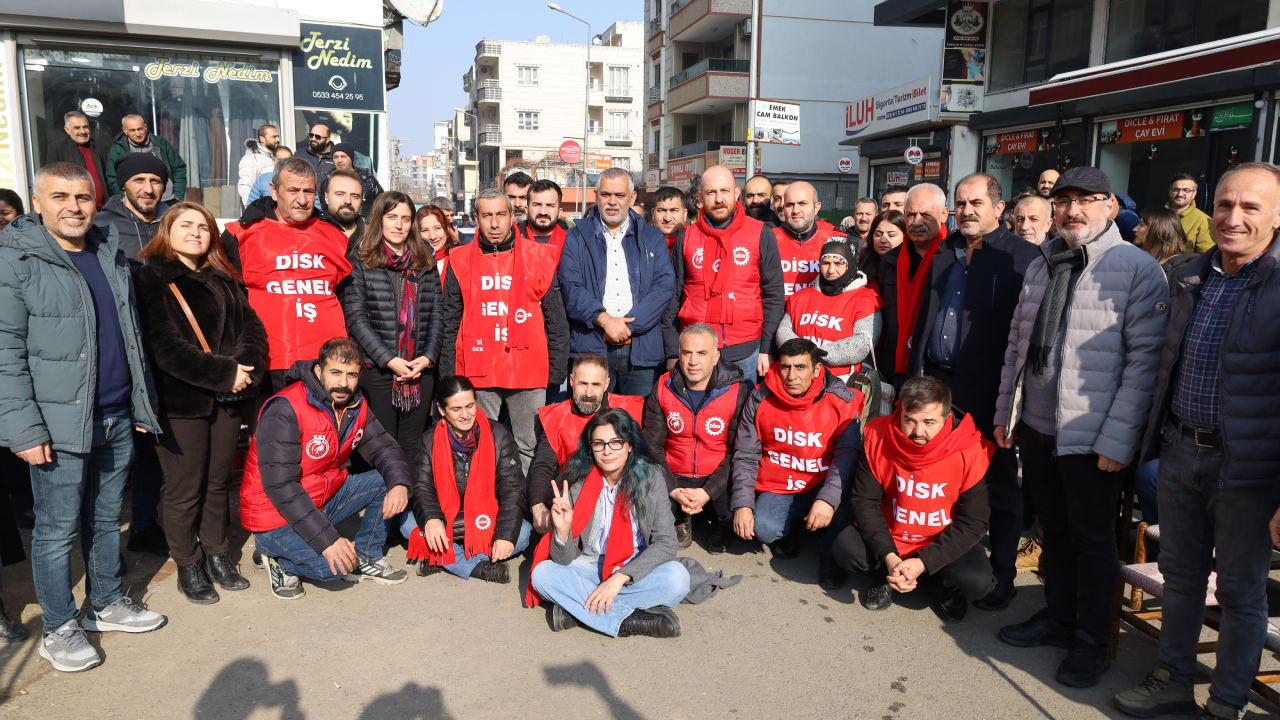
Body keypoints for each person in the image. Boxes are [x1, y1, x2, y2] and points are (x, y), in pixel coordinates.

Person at [1112, 162, 1280, 720]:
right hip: (1181, 451)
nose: (1235, 218)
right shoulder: (1191, 273)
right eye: (1227, 204)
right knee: (1181, 578)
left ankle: (1225, 705)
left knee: (1239, 594)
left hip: (1249, 471)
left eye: (1251, 207)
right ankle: (1173, 679)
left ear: (1277, 217)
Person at [993, 166, 1169, 688]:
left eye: (1086, 200)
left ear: (1109, 206)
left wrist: (1118, 440)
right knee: (1057, 532)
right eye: (1065, 201)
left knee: (1093, 540)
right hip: (1039, 426)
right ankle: (1059, 617)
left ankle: (1092, 640)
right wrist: (1010, 413)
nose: (1073, 210)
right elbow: (1017, 346)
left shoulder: (1136, 269)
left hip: (1095, 438)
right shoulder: (1045, 262)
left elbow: (1145, 366)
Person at [0, 163, 166, 673]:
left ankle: (107, 602)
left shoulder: (107, 250)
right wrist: (24, 428)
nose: (73, 206)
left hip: (115, 413)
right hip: (56, 423)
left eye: (82, 197)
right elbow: (5, 352)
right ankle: (59, 626)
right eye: (60, 196)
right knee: (54, 530)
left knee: (102, 518)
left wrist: (139, 403)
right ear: (38, 201)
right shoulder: (17, 258)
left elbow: (129, 337)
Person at [904, 173, 1040, 613]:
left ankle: (1000, 575)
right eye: (960, 204)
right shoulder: (946, 251)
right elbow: (926, 316)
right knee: (936, 483)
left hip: (991, 393)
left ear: (999, 208)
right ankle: (945, 568)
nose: (967, 211)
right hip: (941, 387)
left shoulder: (1023, 257)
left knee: (997, 486)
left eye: (976, 203)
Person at [133, 202, 267, 604]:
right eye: (186, 225)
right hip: (179, 403)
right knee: (184, 487)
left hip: (226, 401)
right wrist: (225, 373)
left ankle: (217, 554)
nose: (196, 233)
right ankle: (188, 564)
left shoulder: (223, 276)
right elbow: (164, 348)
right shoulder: (149, 278)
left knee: (216, 483)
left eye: (203, 227)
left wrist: (246, 366)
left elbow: (252, 327)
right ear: (167, 232)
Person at [240, 338, 411, 599]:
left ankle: (368, 556)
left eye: (351, 375)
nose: (343, 382)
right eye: (336, 372)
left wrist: (399, 484)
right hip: (273, 514)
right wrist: (328, 540)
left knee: (384, 480)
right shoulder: (285, 408)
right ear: (319, 371)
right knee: (334, 569)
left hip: (319, 496)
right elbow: (281, 486)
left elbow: (384, 447)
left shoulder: (355, 403)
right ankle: (275, 557)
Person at [829, 377, 995, 622]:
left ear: (947, 417)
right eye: (910, 420)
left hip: (940, 539)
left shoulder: (971, 449)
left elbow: (974, 522)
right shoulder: (878, 433)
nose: (918, 432)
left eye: (929, 422)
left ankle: (949, 589)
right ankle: (887, 577)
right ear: (900, 410)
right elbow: (865, 501)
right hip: (891, 534)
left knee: (976, 582)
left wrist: (922, 562)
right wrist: (889, 557)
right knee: (844, 549)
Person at [528, 409, 690, 638]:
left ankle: (578, 611)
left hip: (633, 564)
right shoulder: (577, 481)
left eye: (615, 442)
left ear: (630, 445)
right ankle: (628, 620)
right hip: (589, 565)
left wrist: (620, 577)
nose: (607, 451)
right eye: (599, 444)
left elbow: (666, 542)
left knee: (678, 577)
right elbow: (563, 560)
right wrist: (562, 532)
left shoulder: (651, 477)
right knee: (542, 574)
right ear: (590, 447)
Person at [439, 188, 569, 474]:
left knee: (528, 445)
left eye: (501, 215)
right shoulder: (458, 259)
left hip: (529, 370)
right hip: (477, 368)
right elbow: (449, 322)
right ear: (476, 218)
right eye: (487, 216)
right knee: (477, 444)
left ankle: (525, 510)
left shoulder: (540, 256)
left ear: (513, 216)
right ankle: (482, 508)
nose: (495, 224)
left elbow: (555, 318)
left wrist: (556, 372)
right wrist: (448, 375)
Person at [221, 157, 353, 410]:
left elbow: (348, 297)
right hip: (267, 360)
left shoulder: (335, 235)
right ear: (273, 191)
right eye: (293, 191)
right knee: (271, 439)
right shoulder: (241, 234)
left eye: (308, 191)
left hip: (325, 360)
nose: (302, 200)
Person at [730, 338, 862, 587]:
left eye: (800, 367)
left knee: (847, 499)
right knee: (765, 530)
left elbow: (848, 457)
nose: (791, 376)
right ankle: (790, 531)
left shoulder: (840, 400)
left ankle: (829, 552)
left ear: (816, 370)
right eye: (786, 367)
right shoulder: (760, 398)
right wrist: (742, 504)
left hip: (824, 483)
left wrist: (827, 499)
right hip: (780, 483)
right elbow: (746, 455)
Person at [92, 153, 172, 558]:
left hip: (169, 349)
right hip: (122, 351)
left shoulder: (174, 220)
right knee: (120, 451)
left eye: (155, 180)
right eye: (138, 180)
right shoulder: (101, 226)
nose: (147, 188)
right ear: (123, 185)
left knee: (155, 448)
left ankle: (145, 523)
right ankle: (111, 543)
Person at [344, 192, 443, 468]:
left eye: (406, 218)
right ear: (380, 219)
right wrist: (388, 359)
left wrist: (427, 357)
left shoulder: (424, 258)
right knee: (380, 446)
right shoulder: (361, 259)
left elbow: (437, 313)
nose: (399, 225)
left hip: (418, 370)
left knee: (413, 446)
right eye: (392, 217)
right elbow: (355, 317)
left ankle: (409, 508)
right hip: (378, 371)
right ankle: (381, 508)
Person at [663, 165, 785, 384]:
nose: (719, 198)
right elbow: (673, 298)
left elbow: (774, 295)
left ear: (736, 193)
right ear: (700, 198)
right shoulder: (687, 237)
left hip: (747, 351)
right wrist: (672, 351)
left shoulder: (760, 233)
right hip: (695, 353)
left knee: (743, 417)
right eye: (711, 192)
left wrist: (767, 348)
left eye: (725, 191)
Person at [403, 376, 531, 582]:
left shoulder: (498, 434)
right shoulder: (429, 439)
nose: (465, 415)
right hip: (446, 520)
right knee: (406, 523)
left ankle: (440, 559)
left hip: (486, 519)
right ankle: (480, 567)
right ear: (442, 410)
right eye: (456, 409)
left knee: (523, 532)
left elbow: (513, 488)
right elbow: (422, 487)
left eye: (470, 406)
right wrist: (432, 519)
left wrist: (504, 536)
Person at [561, 168, 675, 397]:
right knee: (590, 424)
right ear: (596, 195)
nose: (612, 202)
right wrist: (604, 320)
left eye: (620, 195)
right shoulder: (575, 237)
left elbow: (664, 287)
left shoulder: (652, 237)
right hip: (592, 347)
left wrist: (627, 327)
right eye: (606, 194)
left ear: (632, 198)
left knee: (637, 425)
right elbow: (571, 288)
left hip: (641, 349)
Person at [644, 324, 750, 554]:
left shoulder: (737, 391)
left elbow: (738, 452)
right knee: (651, 510)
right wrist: (672, 488)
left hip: (717, 474)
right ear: (679, 354)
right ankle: (681, 519)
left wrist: (708, 492)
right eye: (687, 352)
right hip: (675, 473)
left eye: (702, 353)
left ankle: (721, 524)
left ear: (715, 357)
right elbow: (652, 445)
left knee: (734, 510)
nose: (693, 361)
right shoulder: (662, 387)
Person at [529, 354, 645, 534]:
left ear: (606, 384)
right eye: (583, 384)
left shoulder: (630, 410)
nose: (589, 394)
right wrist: (538, 505)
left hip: (620, 497)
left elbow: (646, 463)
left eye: (596, 385)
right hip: (576, 498)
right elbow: (543, 465)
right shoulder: (556, 417)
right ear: (571, 381)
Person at [778, 240, 881, 381]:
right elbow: (783, 330)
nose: (831, 270)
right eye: (826, 263)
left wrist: (816, 356)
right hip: (798, 377)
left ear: (850, 264)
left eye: (839, 263)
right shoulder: (801, 296)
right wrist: (804, 357)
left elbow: (863, 343)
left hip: (843, 381)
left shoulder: (866, 298)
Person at [879, 184, 949, 389]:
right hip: (895, 367)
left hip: (937, 371)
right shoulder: (890, 260)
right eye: (910, 215)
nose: (917, 222)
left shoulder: (956, 258)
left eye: (926, 214)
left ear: (944, 214)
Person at [774, 181, 848, 297]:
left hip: (820, 314)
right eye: (790, 205)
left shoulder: (838, 242)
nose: (795, 210)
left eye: (802, 203)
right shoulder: (767, 239)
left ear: (816, 207)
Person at [105, 115, 187, 202]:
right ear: (124, 131)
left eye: (140, 129)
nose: (137, 134)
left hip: (167, 200)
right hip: (137, 204)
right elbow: (112, 178)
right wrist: (127, 199)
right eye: (132, 130)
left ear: (146, 127)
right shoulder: (117, 150)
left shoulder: (162, 144)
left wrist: (178, 196)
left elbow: (178, 169)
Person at [44, 111, 109, 209]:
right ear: (67, 129)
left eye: (85, 127)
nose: (83, 131)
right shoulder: (57, 148)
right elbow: (52, 181)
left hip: (104, 210)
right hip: (75, 210)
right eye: (77, 128)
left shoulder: (102, 147)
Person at [319, 143, 383, 220]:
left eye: (343, 157)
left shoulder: (368, 179)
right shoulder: (327, 182)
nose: (339, 160)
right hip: (338, 228)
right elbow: (325, 211)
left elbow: (383, 202)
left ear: (351, 158)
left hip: (366, 226)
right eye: (336, 157)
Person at [518, 179, 573, 259]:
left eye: (550, 205)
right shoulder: (512, 241)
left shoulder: (574, 242)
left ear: (559, 212)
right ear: (527, 209)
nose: (543, 212)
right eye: (537, 205)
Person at [321, 169, 367, 254]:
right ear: (326, 198)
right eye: (340, 194)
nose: (348, 201)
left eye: (354, 196)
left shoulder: (373, 241)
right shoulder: (312, 237)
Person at [1168, 173, 1215, 254]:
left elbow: (1205, 257)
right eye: (1176, 190)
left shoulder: (1205, 222)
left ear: (1194, 194)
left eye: (1186, 190)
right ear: (1170, 192)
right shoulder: (1155, 216)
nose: (1180, 194)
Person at [418, 203, 460, 289]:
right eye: (425, 230)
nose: (432, 236)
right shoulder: (410, 263)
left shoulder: (460, 259)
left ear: (446, 229)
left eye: (437, 228)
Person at [237, 124, 280, 206]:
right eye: (274, 137)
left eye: (278, 136)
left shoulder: (279, 157)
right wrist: (251, 210)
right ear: (262, 139)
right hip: (262, 210)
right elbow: (245, 187)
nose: (278, 139)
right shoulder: (251, 159)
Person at [861, 209, 905, 289]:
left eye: (891, 235)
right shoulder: (862, 268)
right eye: (878, 235)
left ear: (905, 237)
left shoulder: (910, 269)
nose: (883, 240)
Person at [651, 185, 688, 251]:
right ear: (653, 214)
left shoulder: (697, 243)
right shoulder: (639, 243)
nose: (668, 218)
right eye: (662, 210)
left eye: (674, 210)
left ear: (685, 214)